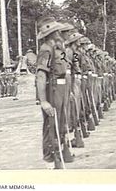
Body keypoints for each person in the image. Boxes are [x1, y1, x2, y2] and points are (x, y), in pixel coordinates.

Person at [36, 16, 74, 169]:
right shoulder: (46, 49)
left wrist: (68, 91)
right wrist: (43, 101)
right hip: (52, 88)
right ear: (52, 34)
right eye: (57, 31)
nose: (61, 33)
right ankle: (50, 157)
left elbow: (66, 71)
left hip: (62, 87)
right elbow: (40, 75)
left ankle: (61, 150)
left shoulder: (60, 49)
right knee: (52, 123)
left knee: (62, 121)